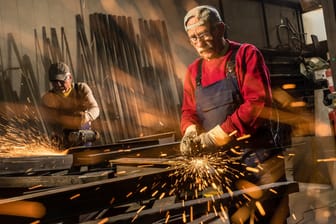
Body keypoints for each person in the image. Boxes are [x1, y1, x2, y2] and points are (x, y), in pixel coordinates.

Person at [180, 5, 290, 224]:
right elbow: (189, 111)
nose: (199, 43)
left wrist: (215, 136)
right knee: (238, 218)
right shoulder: (194, 71)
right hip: (225, 164)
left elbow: (257, 104)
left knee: (268, 217)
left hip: (259, 159)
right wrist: (190, 131)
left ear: (220, 29)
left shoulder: (246, 55)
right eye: (193, 38)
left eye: (203, 34)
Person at [41, 62, 100, 149]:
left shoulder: (81, 88)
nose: (58, 85)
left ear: (70, 78)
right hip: (62, 137)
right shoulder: (48, 98)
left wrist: (87, 117)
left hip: (83, 133)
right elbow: (50, 123)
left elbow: (95, 108)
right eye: (55, 83)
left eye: (61, 81)